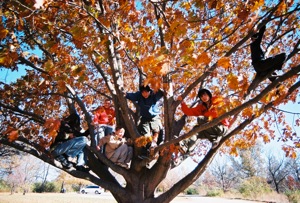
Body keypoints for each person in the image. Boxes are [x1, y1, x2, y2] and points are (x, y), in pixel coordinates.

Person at [178, 89, 230, 154]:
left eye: (205, 95)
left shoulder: (216, 99)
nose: (203, 97)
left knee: (201, 119)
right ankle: (185, 147)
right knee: (196, 130)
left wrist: (205, 115)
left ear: (209, 94)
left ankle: (215, 139)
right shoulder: (201, 107)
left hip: (221, 127)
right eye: (201, 96)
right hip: (210, 130)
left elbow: (217, 113)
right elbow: (188, 111)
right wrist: (182, 102)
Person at [126, 85, 164, 157]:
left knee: (157, 131)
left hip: (154, 117)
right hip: (144, 117)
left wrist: (158, 85)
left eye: (146, 92)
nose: (145, 94)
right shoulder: (139, 95)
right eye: (143, 92)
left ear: (149, 91)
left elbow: (162, 92)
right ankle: (145, 152)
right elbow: (132, 95)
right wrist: (125, 94)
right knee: (144, 134)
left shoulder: (154, 95)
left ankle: (157, 148)